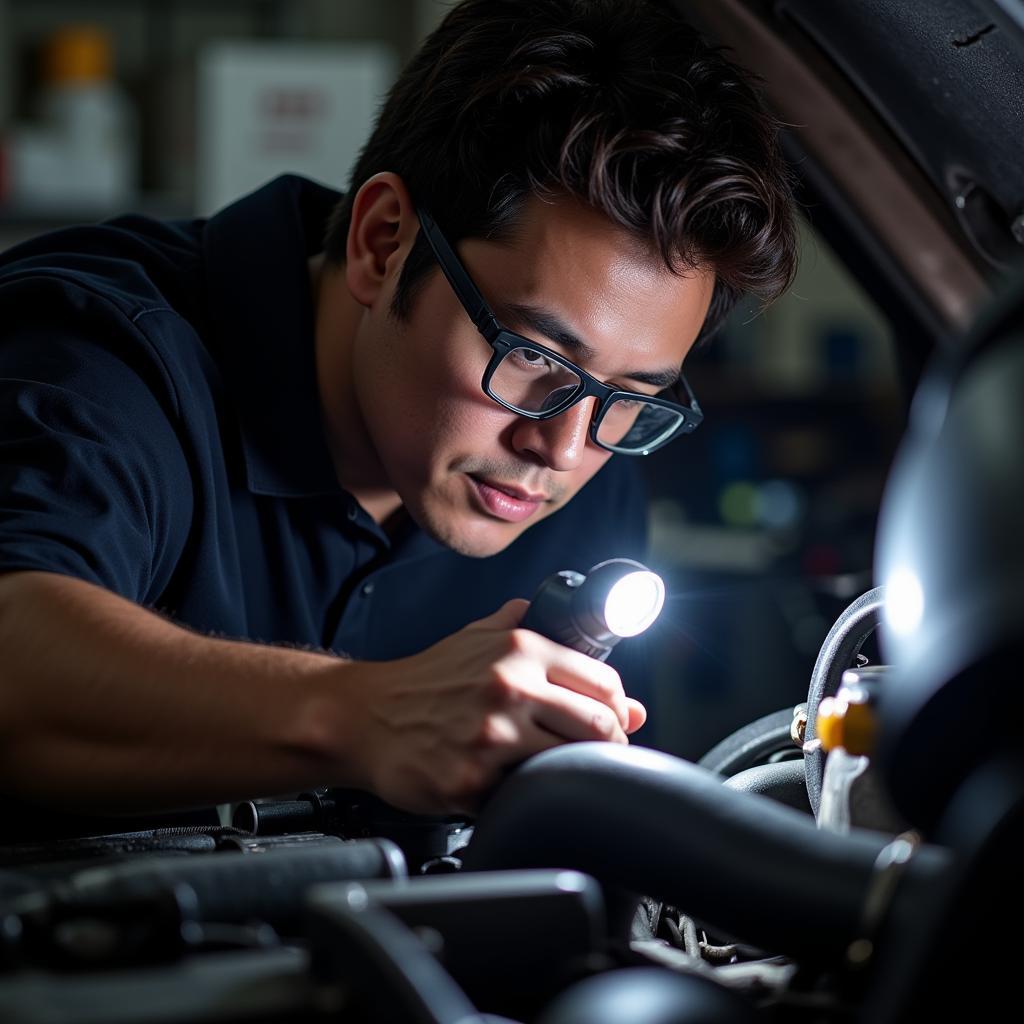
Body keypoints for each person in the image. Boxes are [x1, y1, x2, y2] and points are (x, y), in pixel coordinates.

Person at [0, 0, 796, 838]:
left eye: (632, 395)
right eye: (532, 358)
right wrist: (360, 717)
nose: (560, 448)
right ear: (385, 243)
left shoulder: (586, 471)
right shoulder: (98, 358)